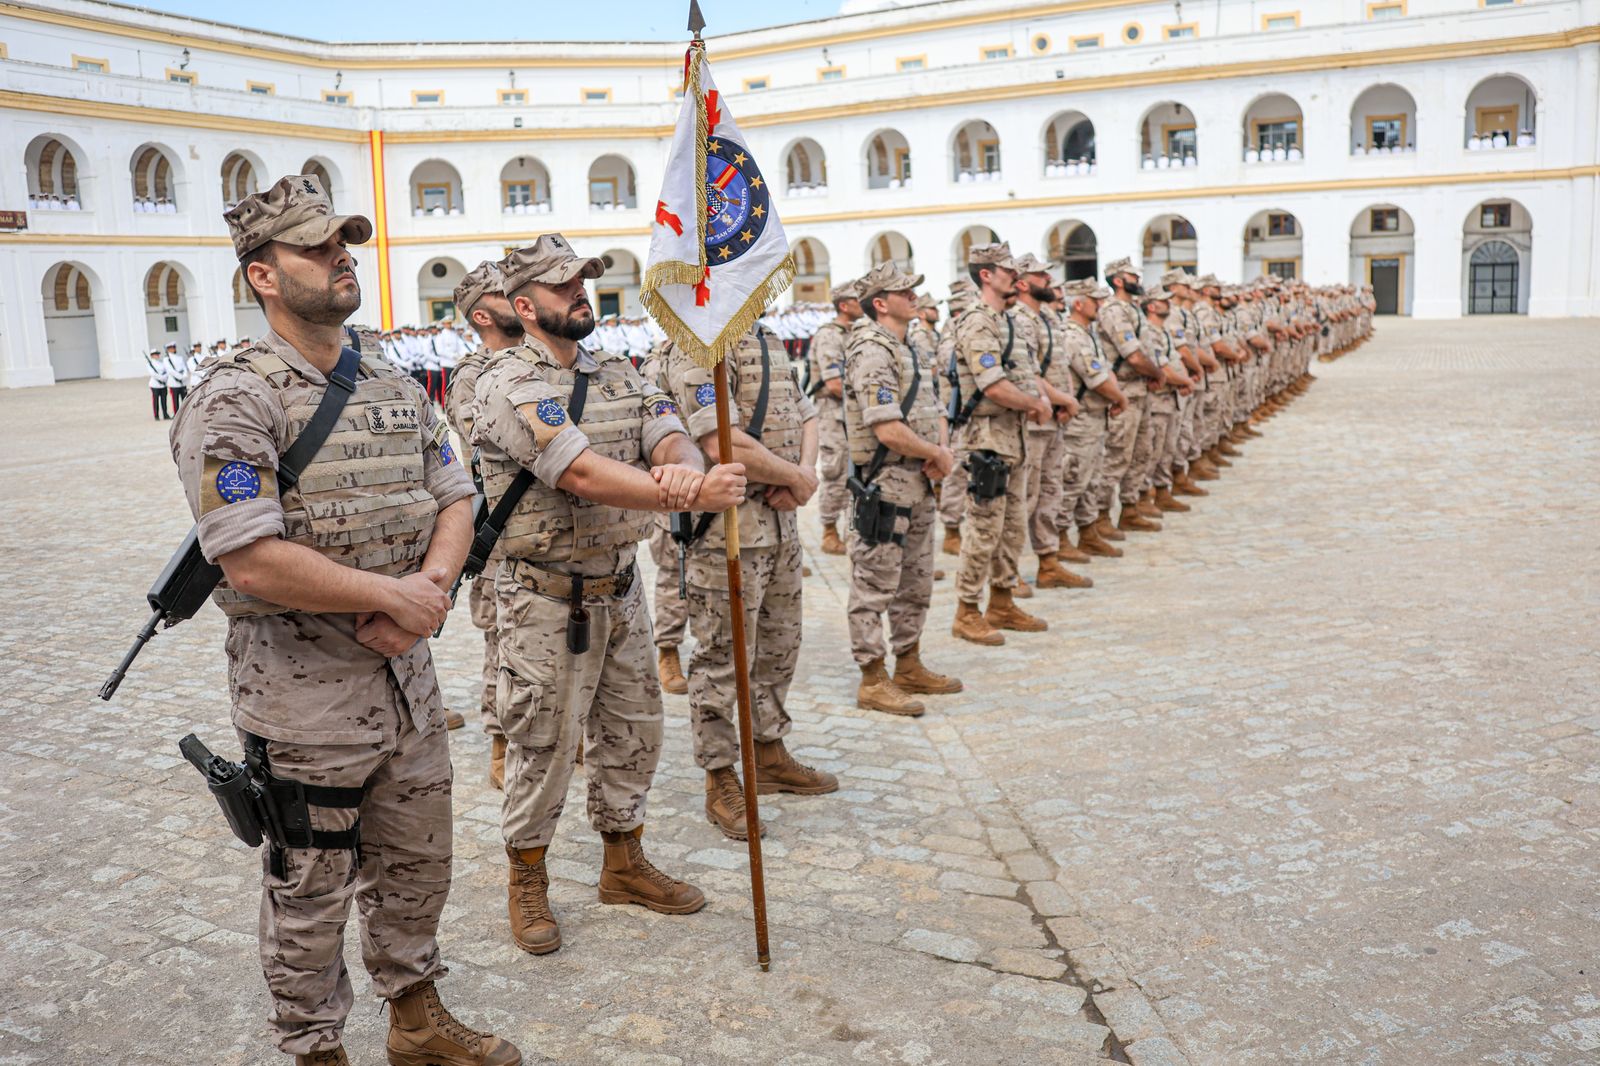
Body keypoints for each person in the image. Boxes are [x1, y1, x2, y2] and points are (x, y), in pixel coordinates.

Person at [170, 174, 519, 1066]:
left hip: (405, 677)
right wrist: (387, 597)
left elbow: (457, 492)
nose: (341, 256)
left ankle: (415, 1019)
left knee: (417, 864)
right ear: (264, 276)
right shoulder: (232, 396)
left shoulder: (393, 377)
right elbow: (247, 554)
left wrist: (426, 593)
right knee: (310, 888)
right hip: (303, 698)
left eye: (344, 242)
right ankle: (314, 1048)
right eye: (318, 247)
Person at [471, 235, 747, 955]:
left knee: (632, 732)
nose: (580, 294)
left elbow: (669, 434)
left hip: (620, 589)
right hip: (544, 598)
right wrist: (678, 490)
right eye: (564, 287)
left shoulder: (619, 370)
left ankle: (623, 862)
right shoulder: (507, 382)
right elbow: (582, 472)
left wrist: (684, 469)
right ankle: (527, 876)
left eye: (584, 282)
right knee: (543, 742)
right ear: (526, 307)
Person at [662, 322, 839, 840]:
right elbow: (720, 441)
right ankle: (721, 778)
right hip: (728, 529)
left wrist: (800, 478)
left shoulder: (768, 338)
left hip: (781, 521)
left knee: (779, 647)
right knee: (723, 655)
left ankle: (768, 752)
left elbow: (808, 414)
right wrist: (794, 476)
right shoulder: (701, 341)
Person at [841, 263, 962, 716]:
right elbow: (887, 428)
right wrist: (936, 452)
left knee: (915, 580)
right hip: (887, 483)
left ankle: (909, 662)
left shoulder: (906, 344)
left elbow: (929, 408)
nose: (914, 296)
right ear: (880, 303)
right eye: (904, 291)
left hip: (916, 481)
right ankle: (873, 678)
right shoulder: (871, 349)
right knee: (874, 584)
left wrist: (937, 451)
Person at [442, 260, 526, 788]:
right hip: (501, 530)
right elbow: (492, 437)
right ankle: (500, 740)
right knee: (503, 640)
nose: (515, 295)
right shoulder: (471, 376)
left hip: (553, 530)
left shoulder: (548, 362)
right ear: (482, 313)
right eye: (502, 292)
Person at [949, 243, 1052, 645]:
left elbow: (1021, 374)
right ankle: (966, 609)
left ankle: (1003, 600)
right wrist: (1035, 405)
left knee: (1011, 529)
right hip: (988, 440)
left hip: (1014, 438)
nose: (1016, 276)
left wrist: (1041, 402)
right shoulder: (978, 322)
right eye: (1007, 270)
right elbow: (991, 384)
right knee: (983, 529)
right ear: (986, 275)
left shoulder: (1006, 320)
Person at [1009, 254, 1088, 591]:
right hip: (1033, 421)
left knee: (1050, 493)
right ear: (1024, 283)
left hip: (1053, 421)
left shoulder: (1049, 320)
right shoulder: (1019, 320)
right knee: (1023, 498)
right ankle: (1006, 572)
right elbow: (1028, 373)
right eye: (1042, 276)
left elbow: (1059, 367)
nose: (1050, 282)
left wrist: (1065, 401)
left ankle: (1049, 562)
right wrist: (1065, 399)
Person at [1053, 278, 1127, 559]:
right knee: (1073, 481)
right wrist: (1120, 398)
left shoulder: (1087, 334)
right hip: (1080, 423)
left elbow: (1106, 370)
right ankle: (1059, 540)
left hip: (1095, 419)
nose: (1101, 304)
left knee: (1091, 480)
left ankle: (1088, 532)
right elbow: (1096, 379)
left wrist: (1114, 392)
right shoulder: (1071, 335)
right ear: (1078, 304)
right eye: (1095, 300)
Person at [1092, 258, 1167, 537]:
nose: (1138, 279)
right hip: (1124, 391)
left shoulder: (1132, 309)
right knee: (1116, 457)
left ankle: (1130, 508)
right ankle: (1098, 517)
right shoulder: (1113, 311)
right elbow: (1133, 355)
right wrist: (1158, 374)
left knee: (1141, 453)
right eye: (1131, 275)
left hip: (1140, 390)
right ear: (1119, 280)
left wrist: (1151, 374)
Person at [806, 279, 863, 555]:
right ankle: (829, 531)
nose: (862, 303)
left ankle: (852, 529)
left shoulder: (857, 332)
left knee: (856, 471)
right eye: (857, 299)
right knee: (835, 471)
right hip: (833, 415)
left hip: (854, 414)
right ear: (844, 305)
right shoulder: (830, 335)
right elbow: (834, 384)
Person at [163, 342, 190, 412]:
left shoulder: (180, 357)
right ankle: (176, 415)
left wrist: (185, 375)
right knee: (175, 401)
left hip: (183, 382)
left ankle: (185, 414)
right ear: (168, 349)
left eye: (174, 347)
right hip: (174, 383)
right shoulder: (166, 359)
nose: (173, 349)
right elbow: (170, 371)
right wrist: (181, 377)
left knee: (185, 400)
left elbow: (184, 368)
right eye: (171, 348)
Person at [145, 348, 169, 420]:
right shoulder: (149, 364)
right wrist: (162, 378)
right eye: (156, 354)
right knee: (156, 401)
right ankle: (156, 415)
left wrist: (164, 378)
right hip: (155, 385)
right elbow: (153, 374)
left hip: (163, 384)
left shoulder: (161, 363)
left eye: (158, 354)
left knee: (164, 400)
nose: (157, 355)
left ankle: (165, 414)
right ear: (152, 356)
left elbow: (166, 372)